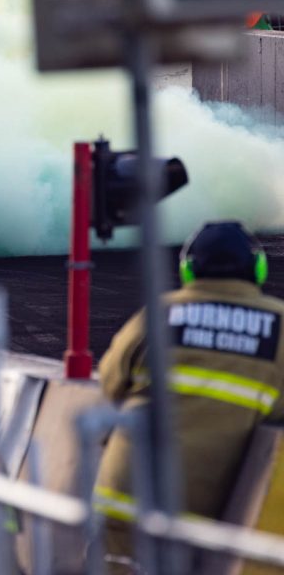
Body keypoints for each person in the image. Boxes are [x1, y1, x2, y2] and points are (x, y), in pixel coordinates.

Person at [94, 222, 284, 563]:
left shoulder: (159, 313)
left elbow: (110, 382)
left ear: (188, 269)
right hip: (203, 525)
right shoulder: (278, 326)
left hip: (120, 506)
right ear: (258, 269)